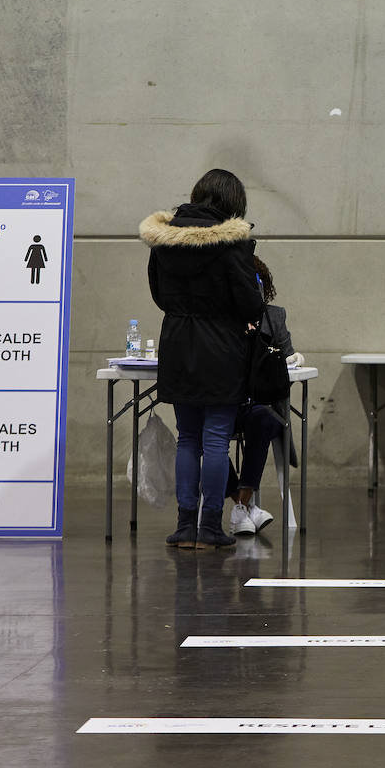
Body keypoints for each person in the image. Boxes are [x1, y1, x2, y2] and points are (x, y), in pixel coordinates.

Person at [141, 168, 264, 549]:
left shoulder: (164, 241)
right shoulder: (231, 244)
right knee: (215, 441)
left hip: (177, 342)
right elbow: (250, 304)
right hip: (222, 346)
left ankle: (183, 528)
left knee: (188, 438)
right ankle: (210, 527)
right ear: (231, 204)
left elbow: (159, 295)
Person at [224, 256, 305, 536]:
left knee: (265, 420)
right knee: (208, 432)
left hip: (257, 404)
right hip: (223, 403)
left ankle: (242, 504)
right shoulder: (220, 318)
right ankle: (244, 508)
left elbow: (288, 357)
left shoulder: (274, 316)